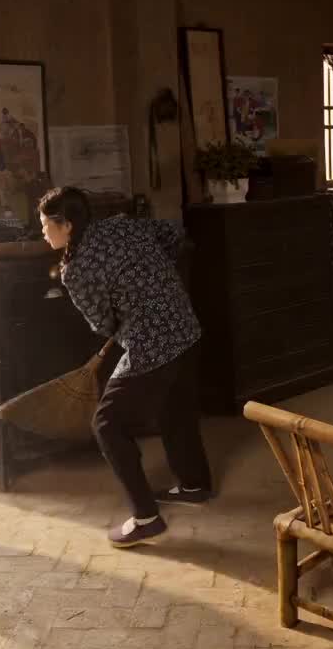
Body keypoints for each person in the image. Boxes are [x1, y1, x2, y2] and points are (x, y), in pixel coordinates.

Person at [39, 187, 212, 548]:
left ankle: (146, 518)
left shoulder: (75, 269)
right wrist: (156, 278)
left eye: (45, 225)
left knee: (106, 424)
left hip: (153, 343)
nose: (42, 231)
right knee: (175, 408)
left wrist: (129, 311)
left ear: (66, 225)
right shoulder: (121, 225)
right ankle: (194, 485)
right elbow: (173, 234)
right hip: (186, 326)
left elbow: (104, 324)